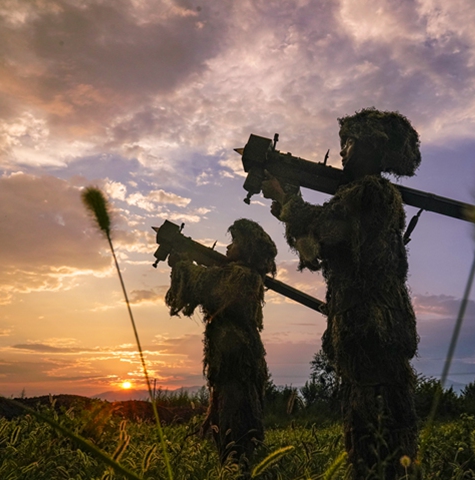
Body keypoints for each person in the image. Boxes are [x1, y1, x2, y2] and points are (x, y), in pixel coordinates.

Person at [262, 108, 421, 479]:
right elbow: (315, 250)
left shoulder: (369, 192)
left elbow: (322, 231)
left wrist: (290, 197)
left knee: (377, 434)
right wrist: (290, 206)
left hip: (370, 329)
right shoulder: (366, 196)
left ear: (371, 147)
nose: (343, 151)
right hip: (363, 330)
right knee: (368, 435)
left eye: (349, 142)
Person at [164, 218, 277, 469]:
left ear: (247, 248)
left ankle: (238, 470)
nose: (228, 247)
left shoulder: (243, 276)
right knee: (227, 426)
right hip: (229, 366)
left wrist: (182, 261)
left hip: (237, 366)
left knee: (236, 428)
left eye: (235, 242)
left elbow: (205, 285)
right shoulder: (238, 274)